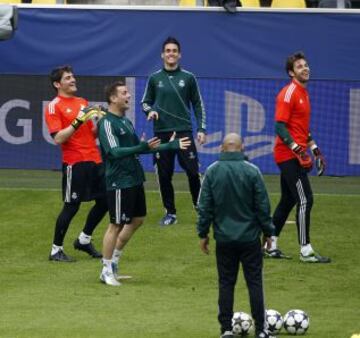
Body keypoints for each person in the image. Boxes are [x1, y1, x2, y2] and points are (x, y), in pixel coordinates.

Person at [98, 81, 191, 286]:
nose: (129, 96)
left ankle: (113, 263)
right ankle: (105, 270)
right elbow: (113, 152)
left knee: (138, 219)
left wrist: (169, 145)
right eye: (124, 93)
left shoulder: (126, 122)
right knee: (116, 224)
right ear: (113, 98)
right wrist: (140, 147)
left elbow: (139, 149)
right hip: (119, 180)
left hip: (134, 178)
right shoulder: (106, 123)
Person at [197, 133, 275, 338]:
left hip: (224, 239)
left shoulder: (212, 171)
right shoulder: (253, 171)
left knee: (226, 283)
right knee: (255, 283)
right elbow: (263, 207)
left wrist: (203, 233)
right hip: (250, 239)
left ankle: (226, 330)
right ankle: (261, 330)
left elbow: (204, 207)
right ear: (242, 148)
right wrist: (268, 233)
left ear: (222, 149)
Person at [265, 51, 330, 263]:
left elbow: (301, 128)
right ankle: (305, 250)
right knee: (305, 199)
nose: (305, 68)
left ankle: (270, 244)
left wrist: (315, 149)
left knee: (288, 199)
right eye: (300, 66)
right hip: (287, 155)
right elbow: (279, 126)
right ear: (291, 73)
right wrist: (297, 149)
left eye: (306, 65)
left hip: (295, 153)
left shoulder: (304, 93)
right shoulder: (289, 93)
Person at [141, 36, 206, 226]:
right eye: (168, 51)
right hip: (161, 134)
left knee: (193, 172)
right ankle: (170, 213)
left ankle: (200, 207)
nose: (171, 54)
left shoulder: (189, 77)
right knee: (163, 174)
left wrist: (201, 128)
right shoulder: (154, 78)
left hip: (184, 132)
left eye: (174, 51)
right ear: (162, 55)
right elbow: (145, 102)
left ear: (179, 55)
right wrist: (150, 110)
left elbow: (198, 104)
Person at [45, 65, 107, 262]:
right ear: (57, 84)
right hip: (75, 162)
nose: (73, 80)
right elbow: (59, 138)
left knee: (106, 200)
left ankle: (84, 239)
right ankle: (56, 250)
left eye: (73, 77)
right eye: (68, 78)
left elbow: (92, 133)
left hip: (94, 159)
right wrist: (78, 121)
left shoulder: (82, 102)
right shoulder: (54, 106)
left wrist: (102, 122)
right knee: (72, 206)